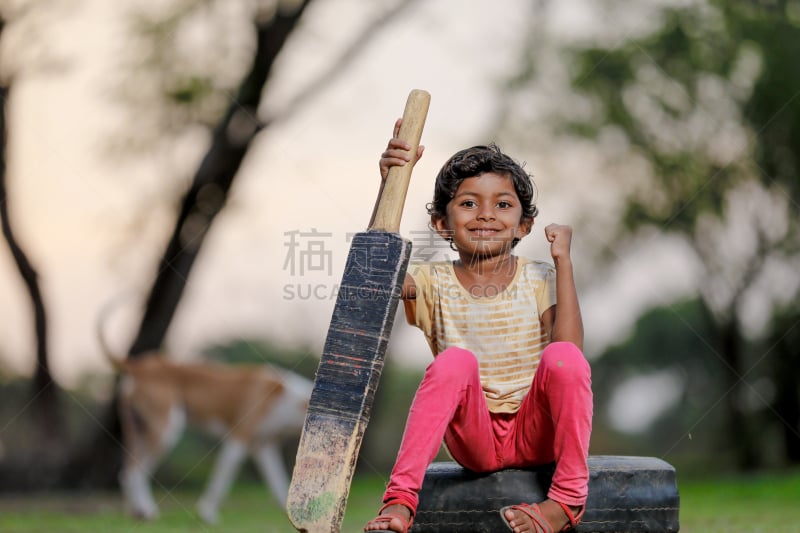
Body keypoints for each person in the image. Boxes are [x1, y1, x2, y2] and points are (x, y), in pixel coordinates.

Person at [363, 119, 593, 533]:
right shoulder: (431, 281)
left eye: (502, 204)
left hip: (534, 430)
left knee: (561, 358)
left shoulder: (538, 277)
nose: (486, 214)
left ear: (524, 225)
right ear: (441, 223)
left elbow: (571, 355)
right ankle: (399, 502)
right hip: (476, 438)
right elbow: (376, 273)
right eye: (468, 203)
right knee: (454, 362)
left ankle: (567, 501)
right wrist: (392, 182)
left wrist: (564, 263)